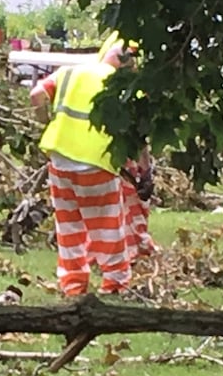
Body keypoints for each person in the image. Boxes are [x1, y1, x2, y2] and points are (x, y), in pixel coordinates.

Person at [29, 43, 154, 297]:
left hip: (60, 161)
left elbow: (36, 96)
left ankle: (73, 285)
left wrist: (46, 121)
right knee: (107, 226)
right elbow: (138, 136)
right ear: (129, 67)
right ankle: (115, 284)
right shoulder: (125, 88)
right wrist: (145, 169)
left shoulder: (69, 72)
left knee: (69, 227)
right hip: (95, 163)